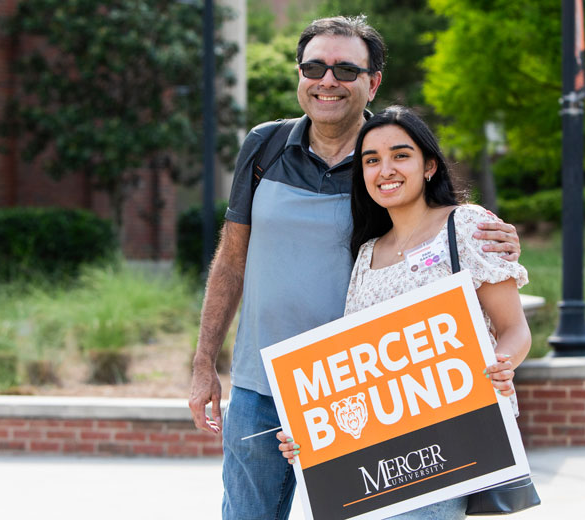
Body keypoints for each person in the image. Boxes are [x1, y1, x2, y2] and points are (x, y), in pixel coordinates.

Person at [188, 16, 522, 520]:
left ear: (373, 81)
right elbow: (232, 261)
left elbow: (437, 228)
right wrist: (203, 364)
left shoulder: (386, 159)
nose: (328, 80)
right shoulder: (264, 145)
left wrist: (499, 239)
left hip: (354, 394)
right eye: (314, 66)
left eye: (346, 69)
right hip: (260, 386)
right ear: (299, 74)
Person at [276, 106, 531, 519]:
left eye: (400, 155)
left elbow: (514, 329)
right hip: (377, 458)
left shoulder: (466, 225)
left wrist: (501, 363)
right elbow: (358, 371)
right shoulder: (366, 254)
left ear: (429, 165)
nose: (385, 169)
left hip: (447, 442)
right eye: (371, 160)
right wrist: (309, 429)